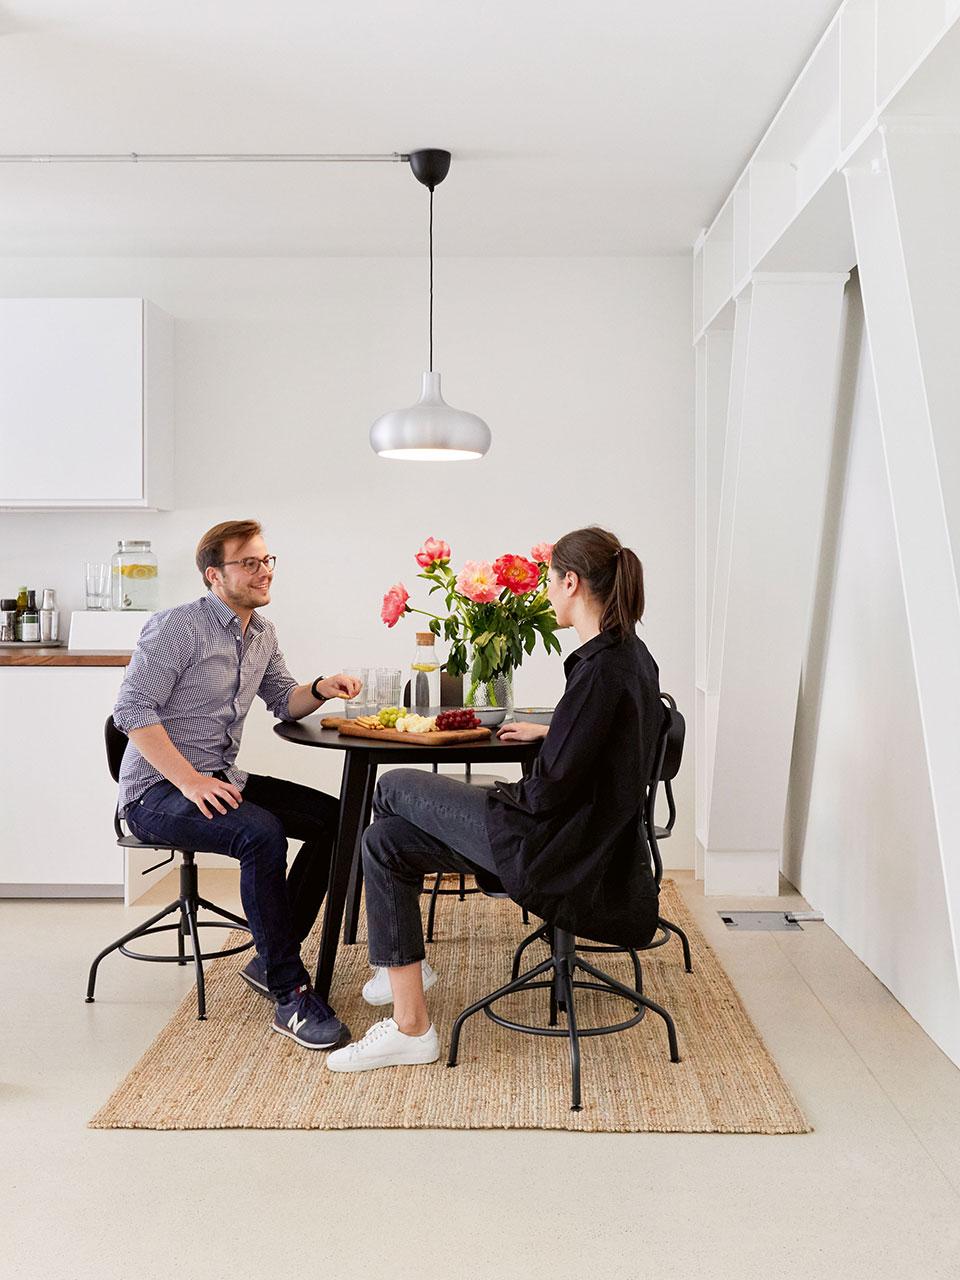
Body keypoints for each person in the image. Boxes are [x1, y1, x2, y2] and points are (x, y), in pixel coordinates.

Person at [327, 525, 665, 1073]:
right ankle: (412, 1023)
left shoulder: (601, 670)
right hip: (580, 844)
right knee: (384, 840)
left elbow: (549, 791)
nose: (547, 594)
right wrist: (554, 733)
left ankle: (399, 981)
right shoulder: (629, 656)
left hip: (549, 848)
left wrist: (499, 792)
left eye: (551, 582)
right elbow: (597, 748)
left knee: (390, 786)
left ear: (572, 582)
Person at [113, 518, 361, 1052]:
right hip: (155, 791)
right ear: (213, 575)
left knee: (339, 819)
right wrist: (190, 781)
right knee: (261, 833)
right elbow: (131, 710)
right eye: (248, 562)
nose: (263, 571)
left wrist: (320, 688)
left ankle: (270, 956)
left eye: (267, 560)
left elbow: (282, 699)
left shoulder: (262, 633)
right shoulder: (176, 628)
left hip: (221, 778)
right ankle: (290, 993)